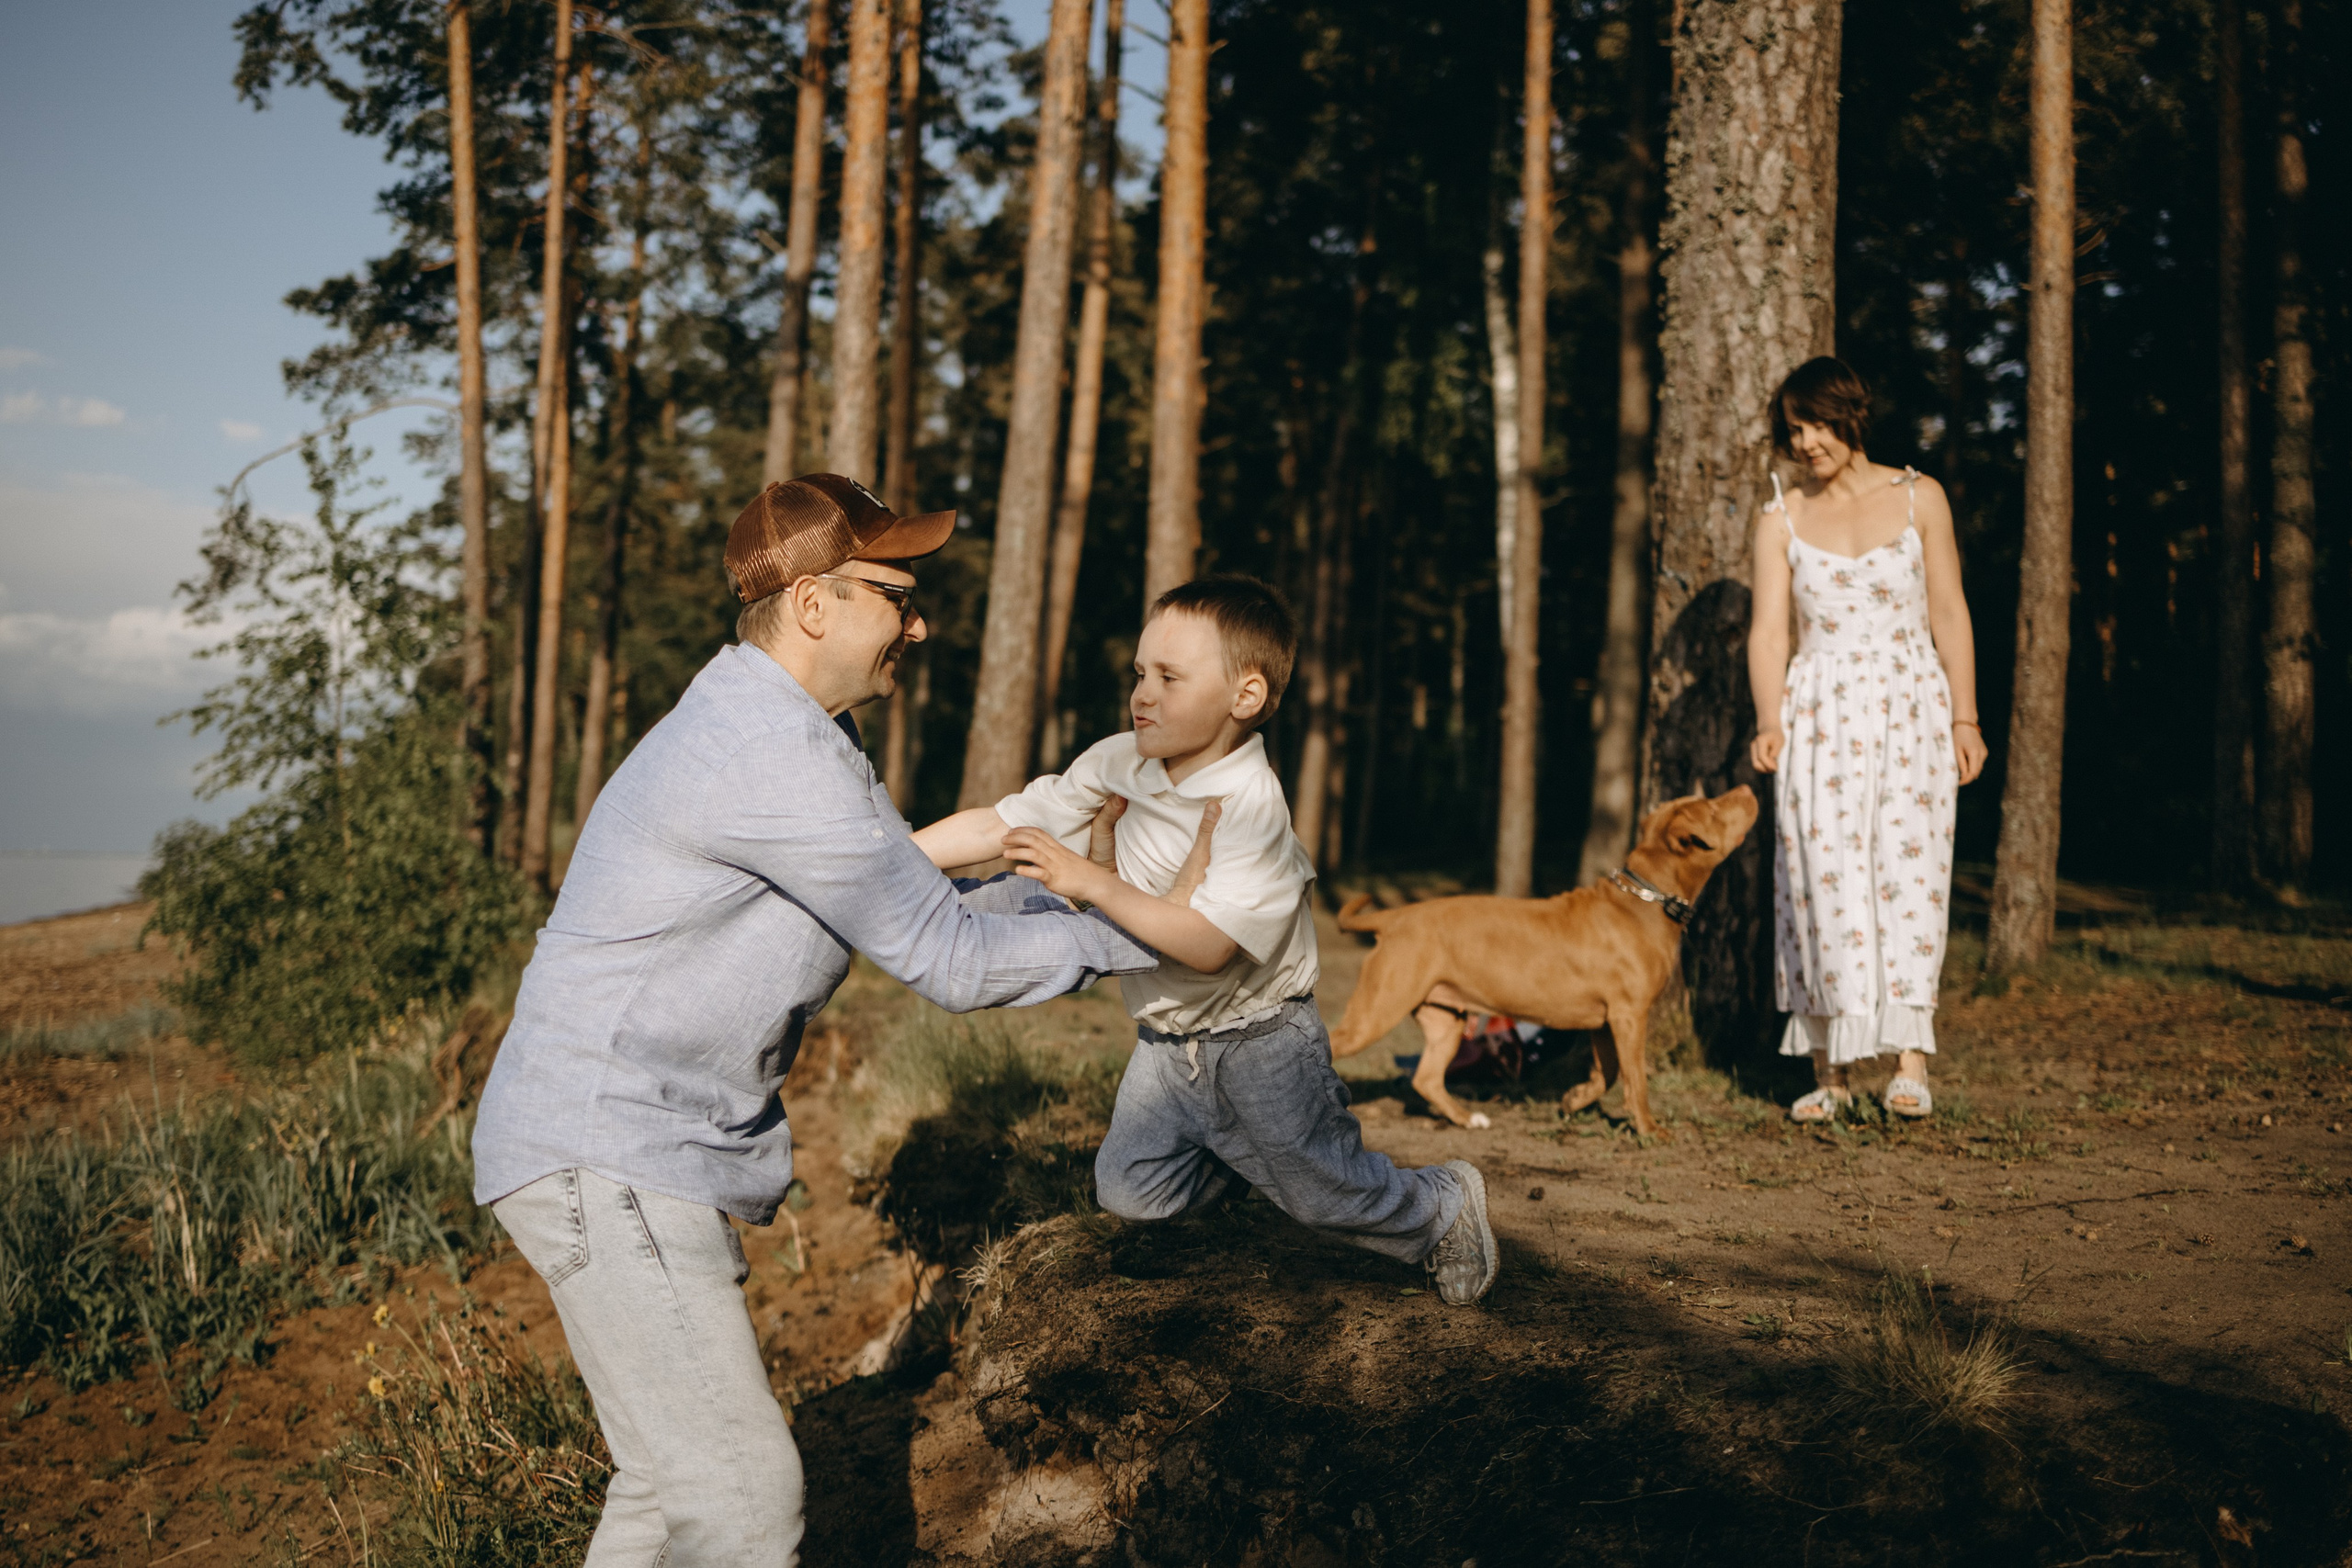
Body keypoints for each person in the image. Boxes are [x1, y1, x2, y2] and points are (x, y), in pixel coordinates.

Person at [470, 474, 1172, 1567]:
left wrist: (1103, 895)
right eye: (898, 593)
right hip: (608, 1148)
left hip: (608, 1143)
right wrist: (1162, 930)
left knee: (667, 1492)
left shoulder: (781, 733)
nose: (919, 621)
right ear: (814, 605)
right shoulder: (770, 755)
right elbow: (949, 959)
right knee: (743, 1498)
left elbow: (923, 907)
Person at [912, 575, 1499, 1306]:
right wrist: (893, 860)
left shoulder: (1251, 809)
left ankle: (1442, 1204)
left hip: (1261, 1044)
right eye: (1139, 673)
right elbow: (999, 825)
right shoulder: (1116, 762)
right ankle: (1241, 1159)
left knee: (1325, 1194)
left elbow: (1207, 946)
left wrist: (1091, 882)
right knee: (1128, 1191)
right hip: (1166, 1044)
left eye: (1169, 677)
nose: (1142, 694)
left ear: (1244, 697)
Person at [1746, 357, 1988, 1122]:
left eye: (1815, 424)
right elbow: (1767, 630)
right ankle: (1833, 1070)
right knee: (1823, 879)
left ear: (1848, 415)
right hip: (1818, 710)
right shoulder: (1779, 516)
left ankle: (1910, 1061)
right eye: (1793, 429)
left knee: (1908, 873)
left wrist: (1965, 716)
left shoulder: (1921, 497)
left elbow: (1949, 610)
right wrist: (1769, 720)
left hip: (1911, 703)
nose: (1805, 441)